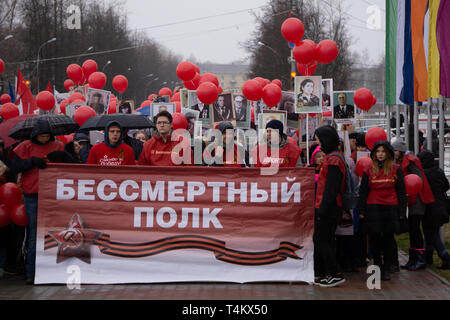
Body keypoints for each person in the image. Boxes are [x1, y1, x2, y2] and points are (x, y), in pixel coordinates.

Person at [11, 119, 65, 284]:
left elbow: (69, 164)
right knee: (34, 235)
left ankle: (54, 272)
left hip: (54, 195)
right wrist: (32, 162)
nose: (44, 139)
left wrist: (61, 157)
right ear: (35, 135)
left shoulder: (58, 146)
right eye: (41, 136)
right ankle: (31, 272)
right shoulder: (24, 147)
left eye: (47, 136)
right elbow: (15, 167)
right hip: (32, 196)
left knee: (57, 234)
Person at [358, 141, 407, 281]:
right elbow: (363, 192)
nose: (380, 154)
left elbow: (401, 192)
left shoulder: (396, 169)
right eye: (378, 151)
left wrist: (402, 212)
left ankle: (387, 267)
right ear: (374, 154)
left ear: (389, 154)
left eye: (383, 151)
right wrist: (361, 210)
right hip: (373, 207)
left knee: (388, 239)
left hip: (391, 207)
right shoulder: (368, 169)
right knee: (374, 239)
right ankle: (377, 266)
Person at [392, 139, 435, 271]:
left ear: (399, 151)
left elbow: (417, 180)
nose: (393, 153)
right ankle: (413, 258)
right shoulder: (404, 161)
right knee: (412, 229)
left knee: (415, 229)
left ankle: (420, 259)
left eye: (394, 150)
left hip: (416, 200)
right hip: (411, 199)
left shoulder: (410, 162)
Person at [312, 125, 346, 287]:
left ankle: (334, 272)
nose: (317, 143)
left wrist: (323, 209)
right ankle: (326, 272)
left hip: (329, 207)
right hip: (327, 205)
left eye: (318, 140)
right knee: (324, 239)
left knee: (321, 239)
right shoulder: (332, 157)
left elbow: (332, 188)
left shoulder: (334, 159)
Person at [417, 150, 450, 269]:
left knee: (432, 234)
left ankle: (445, 257)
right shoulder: (439, 171)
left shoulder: (423, 174)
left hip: (429, 207)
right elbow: (447, 186)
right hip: (441, 206)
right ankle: (428, 257)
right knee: (430, 232)